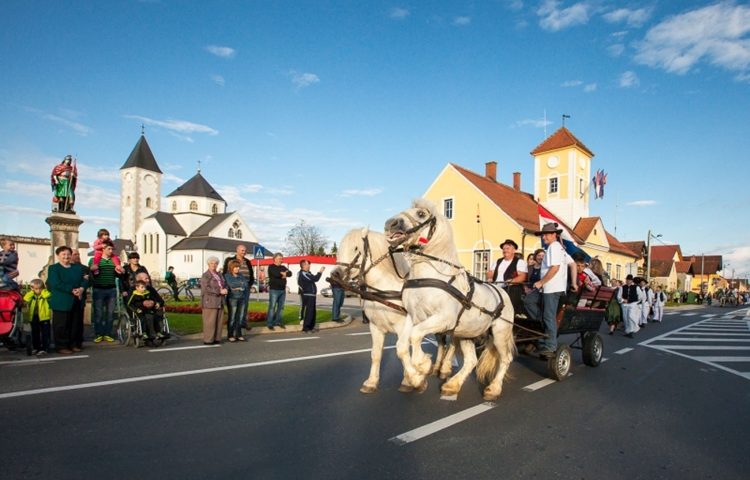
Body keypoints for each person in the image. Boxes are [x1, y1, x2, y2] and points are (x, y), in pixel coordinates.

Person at [522, 223, 573, 357]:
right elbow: (571, 263)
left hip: (552, 287)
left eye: (545, 234)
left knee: (549, 316)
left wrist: (541, 282)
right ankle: (541, 330)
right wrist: (573, 282)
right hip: (549, 288)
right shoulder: (558, 248)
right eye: (543, 234)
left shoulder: (554, 247)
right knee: (528, 301)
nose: (543, 237)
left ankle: (550, 345)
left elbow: (555, 268)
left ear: (553, 235)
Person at [47, 246, 87, 354]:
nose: (66, 256)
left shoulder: (77, 268)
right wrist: (72, 290)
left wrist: (82, 288)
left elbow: (84, 280)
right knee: (62, 325)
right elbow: (55, 283)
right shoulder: (53, 268)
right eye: (63, 254)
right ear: (58, 256)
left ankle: (74, 344)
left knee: (75, 324)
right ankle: (61, 346)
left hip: (77, 299)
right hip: (62, 300)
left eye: (68, 254)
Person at [88, 243, 119, 343]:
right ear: (103, 249)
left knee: (110, 313)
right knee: (99, 313)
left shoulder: (114, 260)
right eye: (109, 249)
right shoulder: (94, 260)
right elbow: (90, 273)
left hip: (111, 289)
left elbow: (118, 273)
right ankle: (99, 333)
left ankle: (107, 333)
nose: (111, 251)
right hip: (98, 289)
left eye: (112, 249)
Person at [222, 244, 255, 329]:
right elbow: (225, 273)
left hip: (246, 287)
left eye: (245, 250)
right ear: (237, 250)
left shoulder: (247, 261)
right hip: (234, 287)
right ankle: (232, 324)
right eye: (242, 250)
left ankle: (242, 323)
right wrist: (228, 285)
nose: (244, 252)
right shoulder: (230, 260)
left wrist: (249, 284)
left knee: (244, 306)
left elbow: (251, 274)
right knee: (234, 307)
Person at [490, 239, 528, 312]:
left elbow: (522, 276)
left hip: (510, 289)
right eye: (504, 249)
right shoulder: (497, 261)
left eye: (507, 248)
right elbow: (490, 272)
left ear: (514, 250)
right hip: (496, 288)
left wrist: (512, 281)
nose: (505, 250)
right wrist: (490, 278)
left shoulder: (520, 262)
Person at [200, 256, 227, 345]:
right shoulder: (206, 275)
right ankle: (208, 339)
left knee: (219, 321)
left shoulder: (219, 274)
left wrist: (226, 289)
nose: (214, 265)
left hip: (220, 300)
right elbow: (206, 288)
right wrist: (219, 291)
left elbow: (224, 283)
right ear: (208, 264)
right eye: (211, 263)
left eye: (215, 263)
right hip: (210, 301)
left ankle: (217, 338)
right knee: (210, 322)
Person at [23, 278, 52, 355]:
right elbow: (25, 299)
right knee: (35, 333)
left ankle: (45, 348)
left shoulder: (44, 294)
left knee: (45, 333)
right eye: (35, 289)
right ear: (32, 289)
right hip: (34, 317)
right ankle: (36, 347)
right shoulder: (31, 295)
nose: (38, 290)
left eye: (40, 288)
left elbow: (48, 295)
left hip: (44, 317)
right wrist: (32, 292)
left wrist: (43, 291)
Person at [224, 260, 249, 342]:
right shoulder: (227, 276)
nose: (237, 269)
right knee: (232, 317)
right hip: (232, 298)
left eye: (238, 267)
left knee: (240, 317)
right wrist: (239, 285)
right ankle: (230, 335)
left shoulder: (241, 275)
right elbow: (231, 284)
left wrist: (237, 287)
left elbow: (245, 285)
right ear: (231, 267)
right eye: (235, 267)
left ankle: (239, 334)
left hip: (242, 298)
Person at [70, 250, 90, 351]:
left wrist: (83, 286)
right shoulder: (66, 267)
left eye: (78, 254)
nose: (77, 256)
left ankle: (78, 342)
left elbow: (89, 281)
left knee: (78, 321)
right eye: (75, 254)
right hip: (68, 297)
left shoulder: (84, 268)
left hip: (80, 298)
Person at [267, 253, 292, 330]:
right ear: (274, 258)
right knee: (272, 307)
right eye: (279, 258)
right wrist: (284, 274)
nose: (281, 259)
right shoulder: (271, 267)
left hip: (282, 290)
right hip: (274, 290)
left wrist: (285, 273)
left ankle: (278, 321)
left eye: (281, 258)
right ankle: (270, 323)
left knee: (281, 307)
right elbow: (276, 274)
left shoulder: (283, 267)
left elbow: (290, 273)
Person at [298, 259, 324, 333]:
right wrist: (320, 271)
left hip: (312, 295)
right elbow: (315, 279)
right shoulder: (303, 273)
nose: (309, 265)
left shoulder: (308, 273)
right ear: (303, 266)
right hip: (308, 295)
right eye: (307, 264)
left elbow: (315, 278)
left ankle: (311, 327)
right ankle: (306, 328)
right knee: (309, 311)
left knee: (313, 311)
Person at [618, 274, 644, 338]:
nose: (628, 281)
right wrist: (623, 300)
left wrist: (635, 301)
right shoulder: (622, 287)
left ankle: (632, 330)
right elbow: (618, 296)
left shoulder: (636, 287)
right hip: (625, 305)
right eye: (627, 280)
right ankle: (628, 331)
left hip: (633, 304)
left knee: (630, 316)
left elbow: (640, 296)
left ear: (632, 281)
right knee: (625, 318)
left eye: (629, 280)